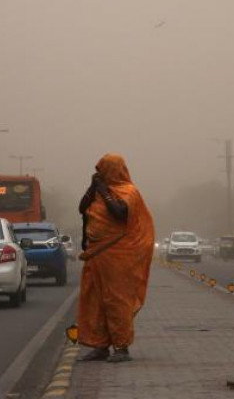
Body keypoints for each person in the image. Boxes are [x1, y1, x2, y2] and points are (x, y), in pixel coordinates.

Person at [76, 154, 155, 363]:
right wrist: (93, 187)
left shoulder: (129, 192)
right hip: (96, 254)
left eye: (103, 169)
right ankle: (99, 346)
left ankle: (121, 347)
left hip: (118, 255)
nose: (100, 174)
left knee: (116, 300)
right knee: (94, 300)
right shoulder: (97, 193)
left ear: (114, 170)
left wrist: (103, 189)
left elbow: (120, 213)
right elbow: (82, 208)